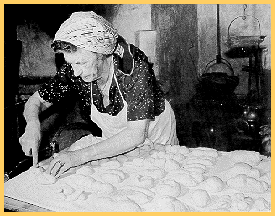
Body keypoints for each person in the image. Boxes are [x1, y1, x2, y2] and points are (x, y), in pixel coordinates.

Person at [19, 11, 178, 178]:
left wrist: (77, 156)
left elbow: (135, 135)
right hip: (117, 141)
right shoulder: (74, 69)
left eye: (82, 62)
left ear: (102, 53)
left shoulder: (133, 67)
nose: (76, 71)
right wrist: (32, 125)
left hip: (154, 134)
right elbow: (35, 101)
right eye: (71, 63)